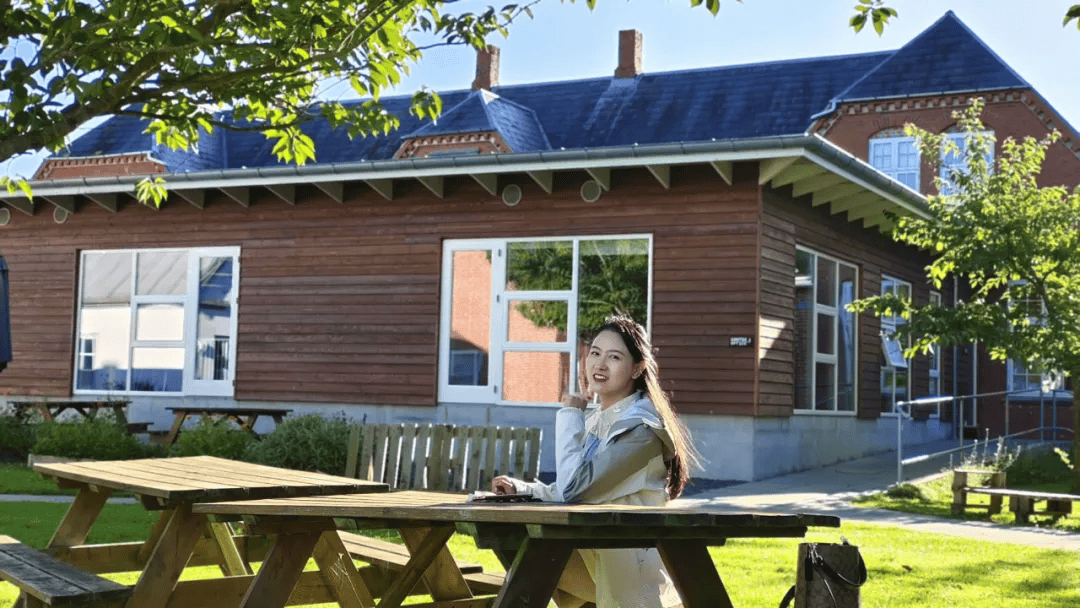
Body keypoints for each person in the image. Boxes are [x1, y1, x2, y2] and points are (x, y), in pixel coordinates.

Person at [492, 314, 700, 608]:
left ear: (637, 368)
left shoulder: (641, 430)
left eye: (614, 357)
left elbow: (576, 491)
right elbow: (578, 487)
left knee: (528, 562)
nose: (600, 365)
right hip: (596, 558)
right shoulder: (599, 420)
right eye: (595, 353)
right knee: (512, 541)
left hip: (631, 577)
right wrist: (523, 490)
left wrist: (568, 415)